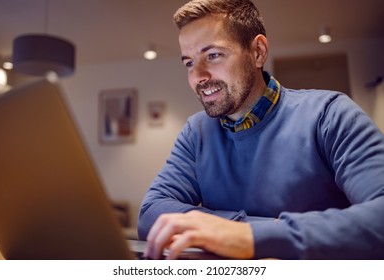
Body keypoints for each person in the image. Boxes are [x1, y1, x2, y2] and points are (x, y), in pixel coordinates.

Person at [138, 0, 384, 259]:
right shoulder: (195, 133)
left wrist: (248, 237)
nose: (198, 76)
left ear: (257, 52)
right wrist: (244, 229)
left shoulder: (330, 114)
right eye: (189, 63)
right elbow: (151, 213)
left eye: (213, 55)